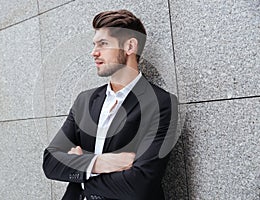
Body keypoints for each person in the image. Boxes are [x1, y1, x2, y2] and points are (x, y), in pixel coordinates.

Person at [43, 9, 178, 200]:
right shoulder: (85, 101)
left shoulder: (161, 103)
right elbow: (50, 162)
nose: (94, 52)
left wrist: (80, 166)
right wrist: (100, 163)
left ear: (130, 46)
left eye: (103, 44)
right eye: (94, 44)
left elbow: (140, 184)